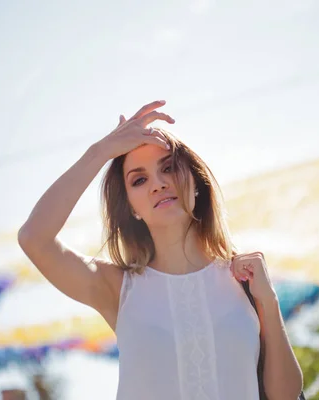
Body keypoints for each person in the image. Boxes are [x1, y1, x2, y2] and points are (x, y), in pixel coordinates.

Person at [18, 100, 303, 400]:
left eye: (168, 168)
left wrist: (268, 303)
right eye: (139, 180)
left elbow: (284, 396)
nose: (158, 184)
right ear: (131, 207)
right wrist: (101, 151)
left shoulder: (245, 279)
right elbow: (33, 238)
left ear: (196, 182)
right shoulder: (119, 288)